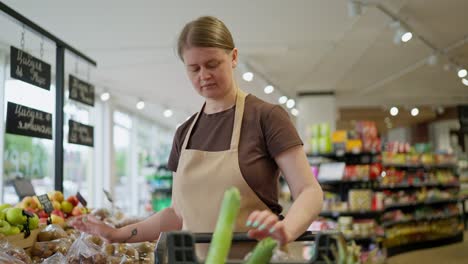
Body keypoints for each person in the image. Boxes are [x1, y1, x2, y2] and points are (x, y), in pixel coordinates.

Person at [71, 15, 323, 258]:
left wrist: (287, 230)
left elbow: (309, 190)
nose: (203, 75)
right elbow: (176, 215)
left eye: (212, 64)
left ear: (233, 57)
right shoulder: (185, 132)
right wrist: (116, 234)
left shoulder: (266, 117)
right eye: (194, 68)